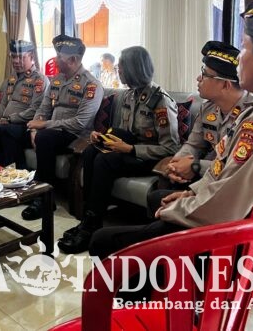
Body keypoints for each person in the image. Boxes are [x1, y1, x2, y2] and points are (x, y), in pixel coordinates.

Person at [89, 0, 253, 281]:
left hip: (240, 249)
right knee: (154, 213)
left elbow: (226, 207)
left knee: (103, 242)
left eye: (244, 48)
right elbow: (229, 178)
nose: (240, 58)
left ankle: (160, 304)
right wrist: (191, 193)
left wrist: (178, 209)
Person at [58, 46, 180, 253]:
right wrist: (102, 137)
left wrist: (130, 149)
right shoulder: (129, 96)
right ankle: (89, 218)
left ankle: (91, 225)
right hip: (128, 150)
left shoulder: (160, 101)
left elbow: (170, 147)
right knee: (91, 151)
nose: (118, 69)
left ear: (133, 68)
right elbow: (122, 132)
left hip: (149, 158)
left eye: (121, 66)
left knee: (105, 160)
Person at [146, 41, 253, 213]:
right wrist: (176, 164)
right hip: (207, 175)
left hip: (229, 186)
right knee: (164, 187)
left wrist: (195, 166)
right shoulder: (208, 108)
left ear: (225, 84)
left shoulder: (252, 115)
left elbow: (236, 167)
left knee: (159, 198)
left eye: (205, 74)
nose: (198, 78)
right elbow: (194, 145)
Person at [22, 35, 104, 220]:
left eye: (59, 56)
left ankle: (44, 199)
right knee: (15, 133)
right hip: (52, 133)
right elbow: (43, 109)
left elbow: (80, 122)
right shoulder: (56, 80)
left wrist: (44, 125)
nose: (55, 59)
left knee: (45, 138)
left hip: (75, 136)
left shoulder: (91, 85)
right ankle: (21, 188)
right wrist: (34, 129)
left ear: (73, 59)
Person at [0, 40, 49, 167]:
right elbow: (3, 103)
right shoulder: (12, 78)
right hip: (6, 122)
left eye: (20, 57)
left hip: (25, 124)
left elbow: (35, 109)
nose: (15, 61)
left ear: (31, 57)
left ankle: (16, 172)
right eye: (13, 57)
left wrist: (9, 119)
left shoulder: (39, 80)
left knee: (4, 131)